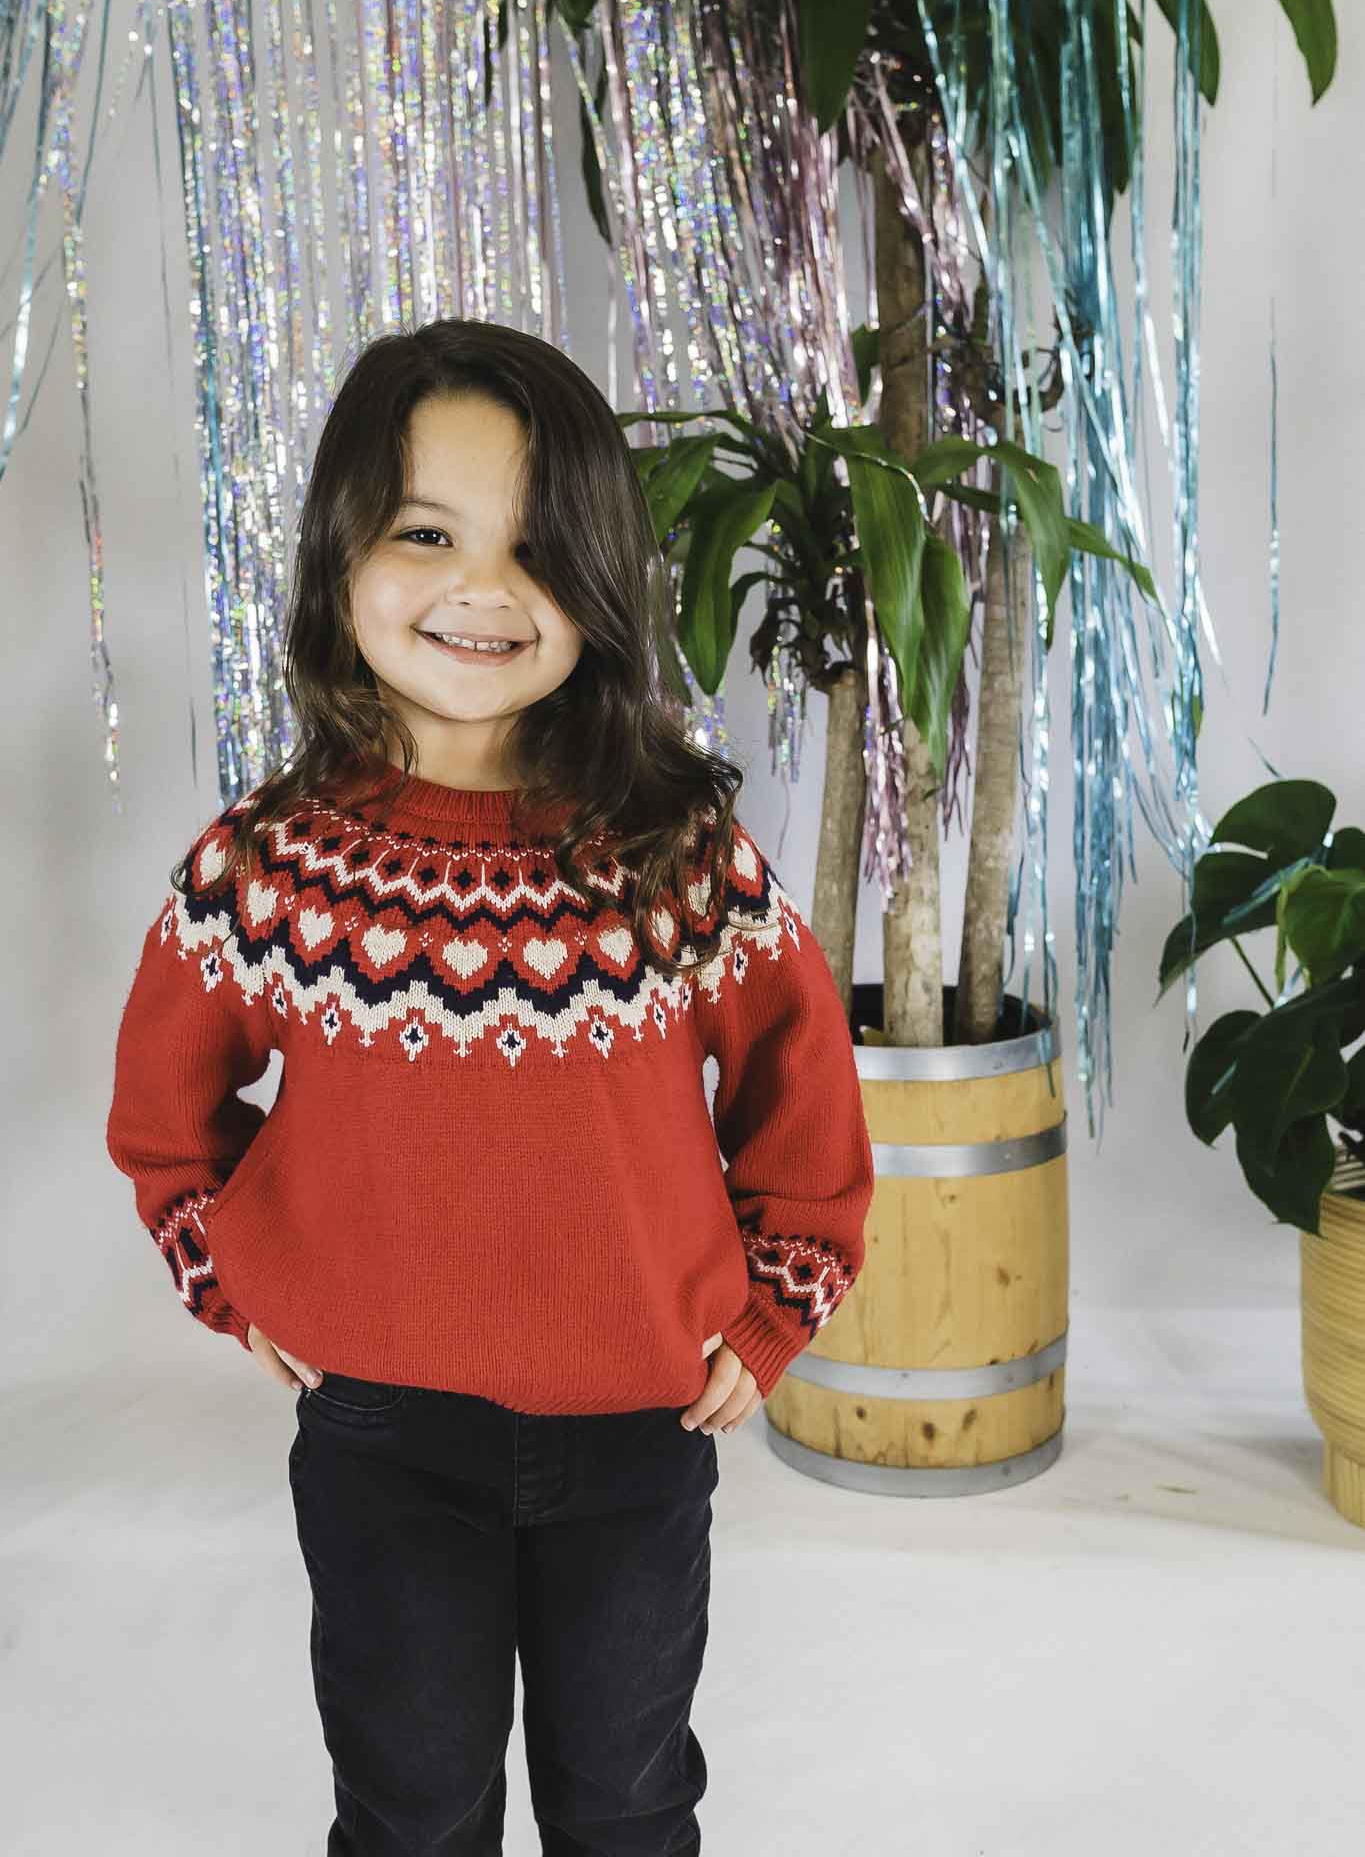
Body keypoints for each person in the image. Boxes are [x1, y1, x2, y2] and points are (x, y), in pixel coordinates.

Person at [105, 317, 876, 1856]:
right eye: (427, 533)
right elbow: (164, 1112)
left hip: (639, 1422)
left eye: (533, 547)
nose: (482, 587)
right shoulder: (272, 864)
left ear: (598, 582)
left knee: (628, 1798)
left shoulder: (670, 854)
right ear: (341, 555)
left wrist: (780, 1294)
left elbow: (799, 1082)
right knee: (410, 1805)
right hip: (379, 1432)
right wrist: (232, 1276)